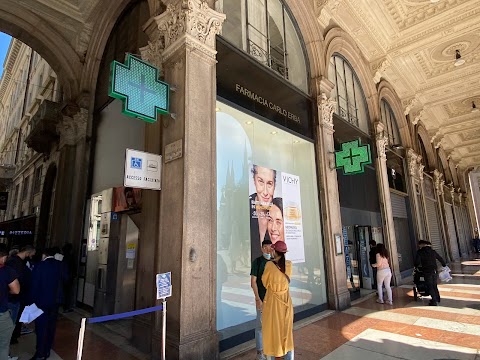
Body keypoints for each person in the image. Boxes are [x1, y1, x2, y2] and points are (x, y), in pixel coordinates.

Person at [29, 248, 66, 360]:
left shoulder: (40, 266)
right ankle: (47, 350)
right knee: (51, 327)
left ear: (44, 255)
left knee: (41, 328)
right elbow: (66, 278)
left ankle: (39, 352)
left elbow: (34, 285)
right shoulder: (60, 265)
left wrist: (30, 301)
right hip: (55, 302)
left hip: (41, 302)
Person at [261, 241, 294, 360]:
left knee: (274, 330)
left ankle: (277, 355)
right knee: (286, 329)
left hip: (274, 301)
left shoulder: (269, 265)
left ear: (275, 251)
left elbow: (265, 282)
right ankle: (288, 354)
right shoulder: (289, 264)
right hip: (286, 300)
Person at [7, 245, 36, 344]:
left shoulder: (14, 261)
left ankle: (13, 337)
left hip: (15, 295)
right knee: (12, 320)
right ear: (27, 252)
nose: (32, 257)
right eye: (31, 254)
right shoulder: (17, 264)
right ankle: (11, 338)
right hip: (14, 296)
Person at [250, 239, 273, 360]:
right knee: (260, 326)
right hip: (262, 299)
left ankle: (273, 349)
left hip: (274, 300)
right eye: (266, 247)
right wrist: (257, 299)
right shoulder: (258, 262)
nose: (268, 250)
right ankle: (260, 352)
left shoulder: (275, 262)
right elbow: (253, 282)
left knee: (274, 325)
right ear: (262, 248)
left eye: (270, 247)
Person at [250, 165, 276, 259]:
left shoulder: (278, 212)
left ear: (274, 186)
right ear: (254, 182)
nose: (265, 192)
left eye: (269, 183)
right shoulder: (246, 208)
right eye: (260, 181)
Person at [0, 244, 20, 360]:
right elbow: (16, 290)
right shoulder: (7, 271)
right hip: (1, 312)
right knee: (3, 344)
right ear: (3, 257)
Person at [414, 240, 446, 306]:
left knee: (430, 285)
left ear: (422, 245)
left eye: (419, 245)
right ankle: (437, 298)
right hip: (434, 270)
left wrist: (416, 267)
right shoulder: (433, 251)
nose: (419, 246)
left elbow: (417, 262)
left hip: (426, 271)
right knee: (434, 285)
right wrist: (444, 265)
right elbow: (440, 259)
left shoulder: (420, 252)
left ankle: (434, 301)